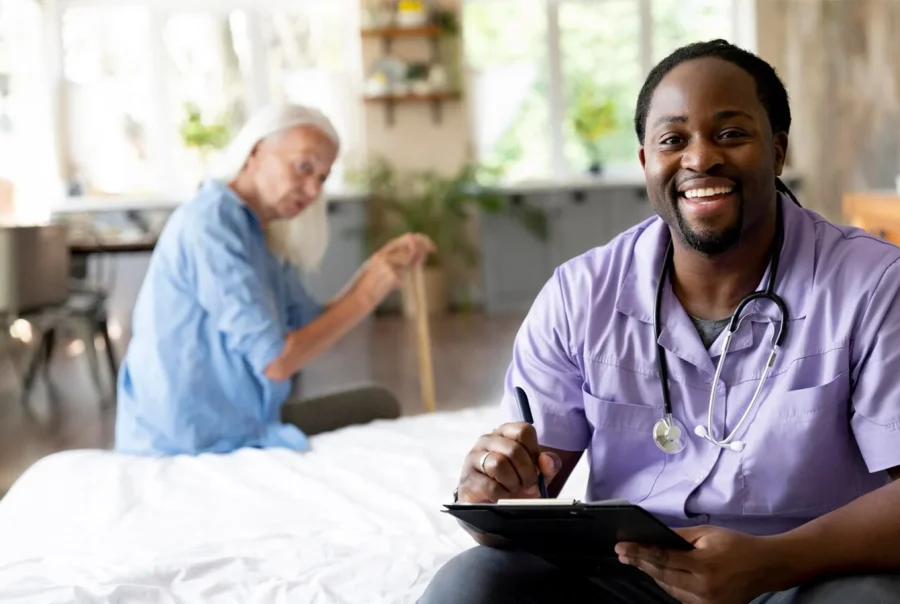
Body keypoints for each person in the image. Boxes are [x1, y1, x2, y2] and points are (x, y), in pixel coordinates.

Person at [420, 39, 900, 604]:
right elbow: (523, 499)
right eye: (673, 140)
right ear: (647, 162)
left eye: (730, 134)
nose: (700, 159)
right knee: (474, 582)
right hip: (633, 577)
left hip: (807, 572)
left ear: (777, 150)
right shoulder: (581, 295)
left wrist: (775, 562)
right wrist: (489, 495)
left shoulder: (875, 284)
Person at [114, 104, 434, 456]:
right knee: (377, 407)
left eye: (322, 178)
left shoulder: (259, 235)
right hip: (191, 439)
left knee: (377, 403)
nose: (313, 190)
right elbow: (278, 361)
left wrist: (373, 274)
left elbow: (309, 324)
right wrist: (365, 295)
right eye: (304, 167)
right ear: (256, 151)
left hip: (242, 419)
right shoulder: (210, 224)